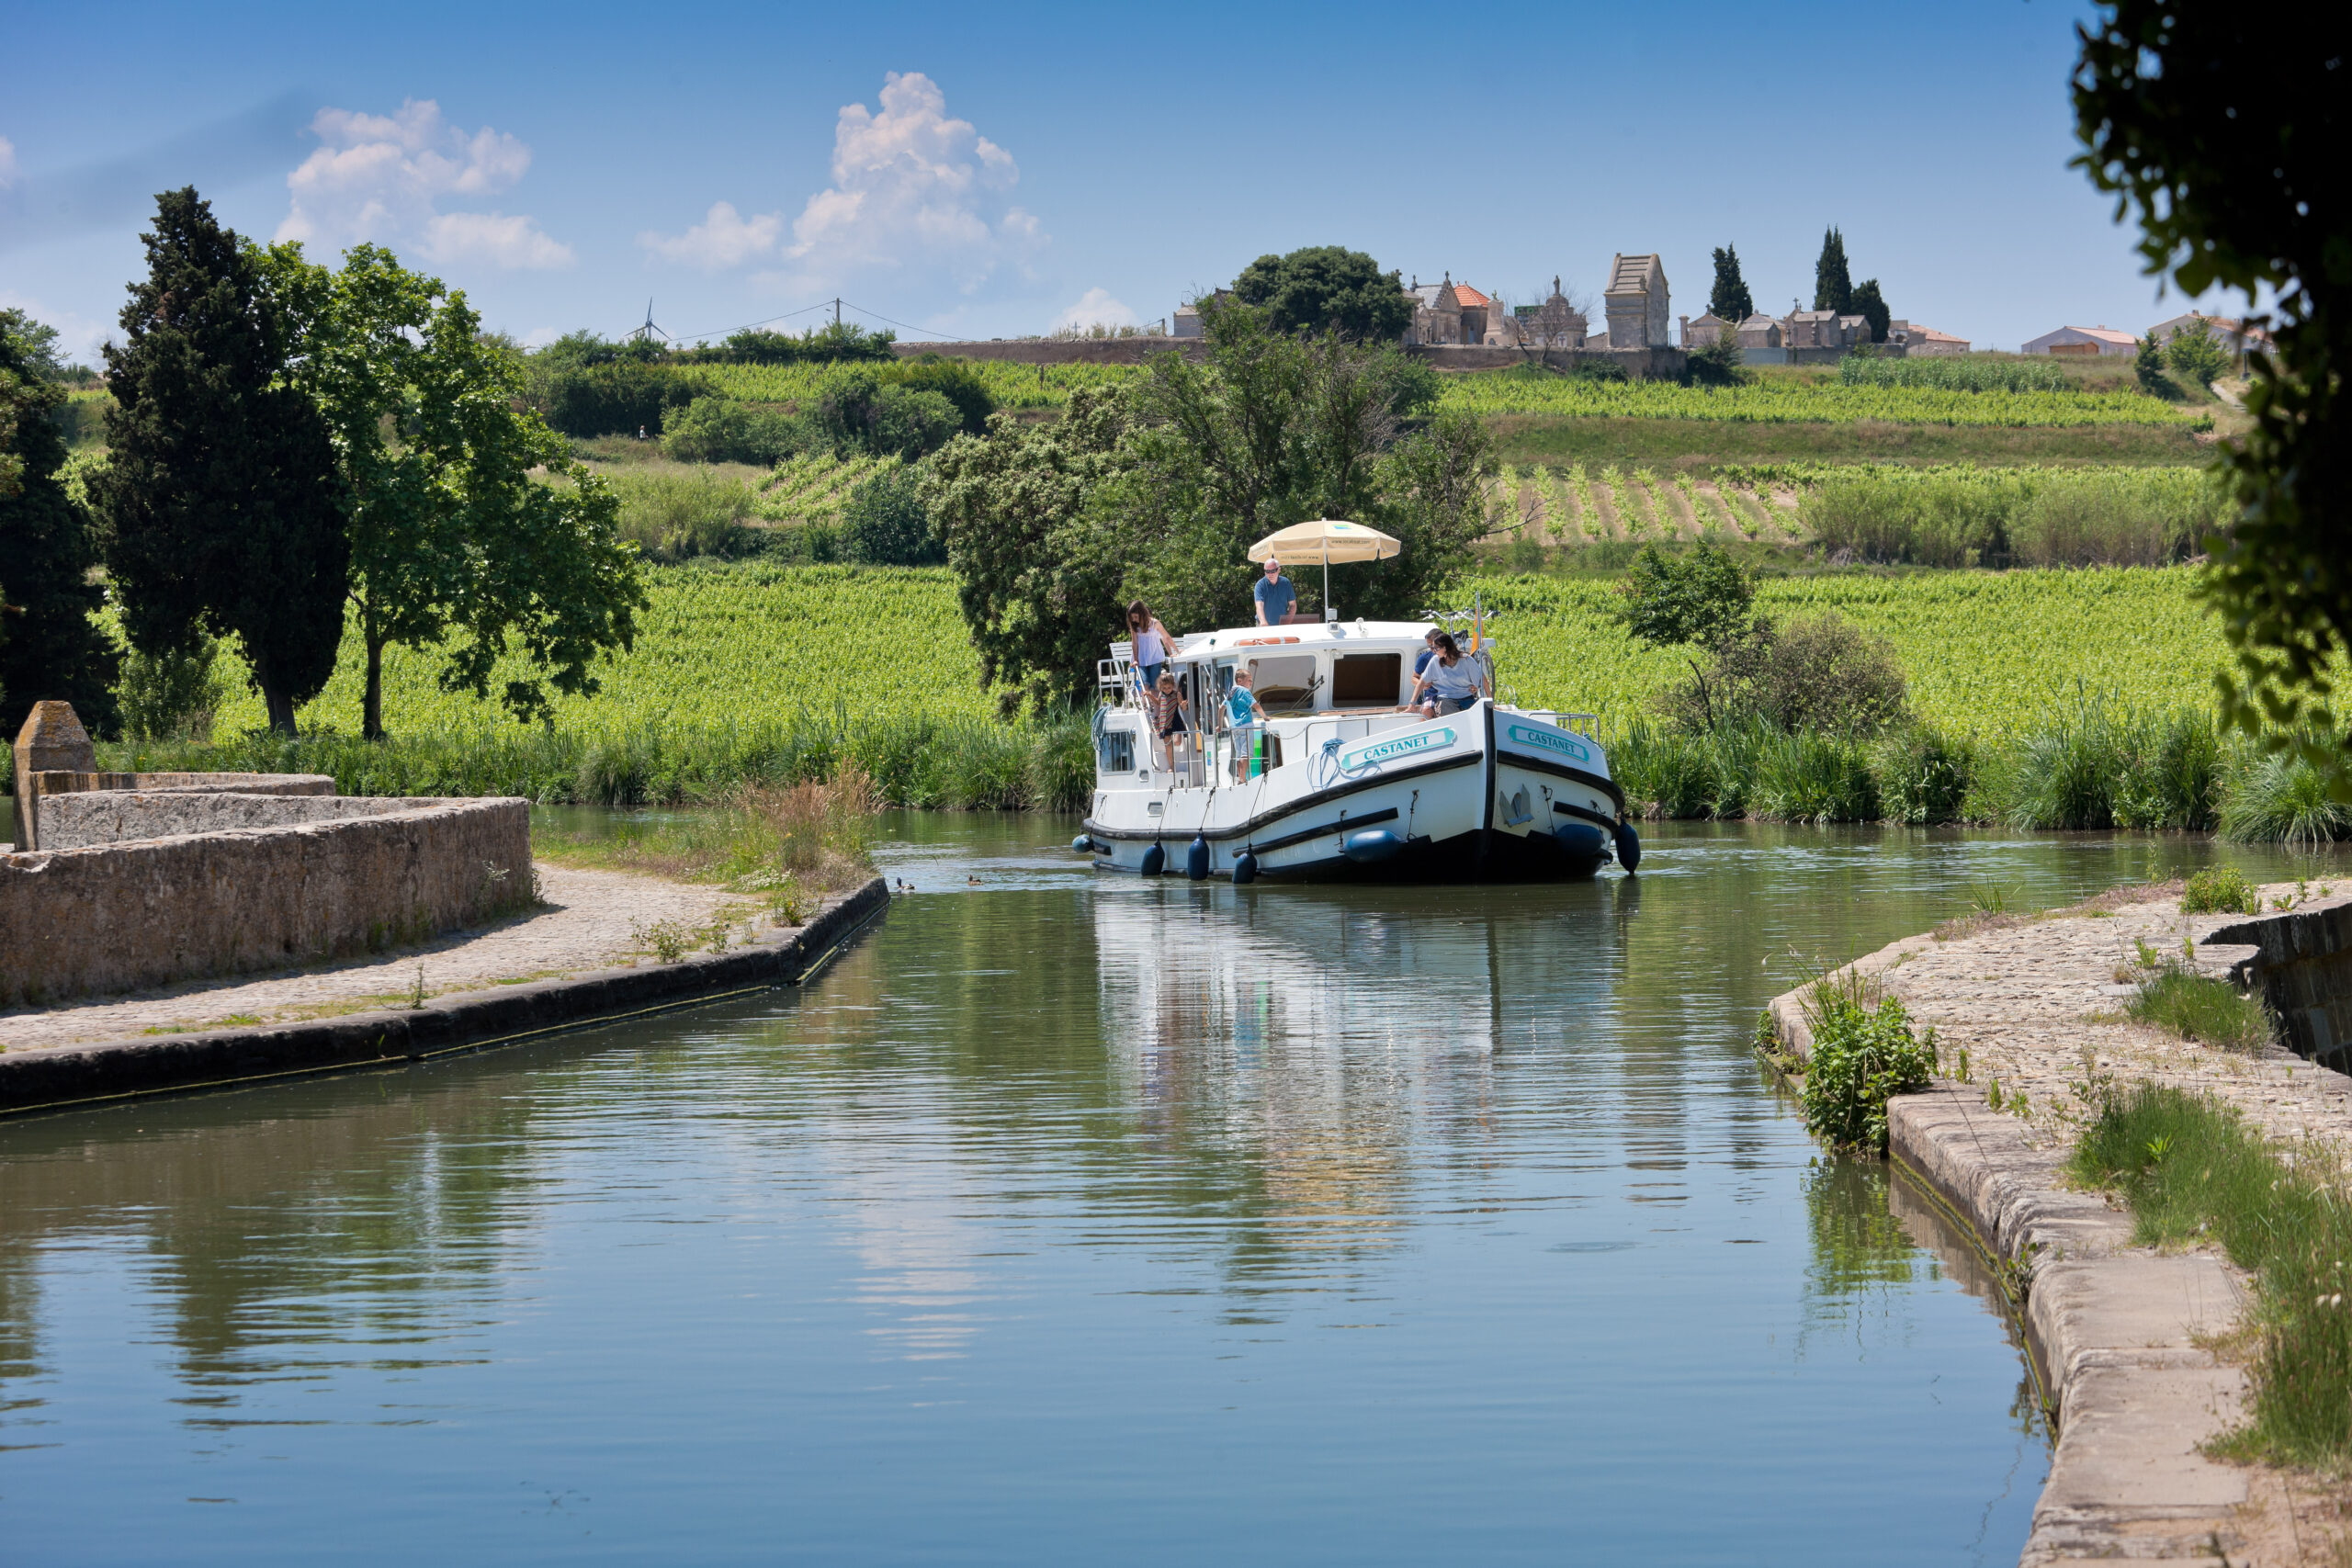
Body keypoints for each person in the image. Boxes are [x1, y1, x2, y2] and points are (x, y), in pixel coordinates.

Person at [1411, 633, 1489, 717]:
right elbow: (1421, 682)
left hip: (1466, 698)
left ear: (1445, 648)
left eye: (1436, 648)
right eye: (1432, 648)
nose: (1433, 651)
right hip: (1445, 699)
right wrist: (1412, 704)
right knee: (1449, 715)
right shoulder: (1435, 661)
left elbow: (1483, 679)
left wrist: (1490, 703)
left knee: (1476, 717)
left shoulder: (1466, 659)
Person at [1126, 600, 1174, 706]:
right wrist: (1135, 659)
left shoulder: (1154, 623)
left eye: (1136, 617)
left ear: (1142, 614)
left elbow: (1165, 638)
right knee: (1145, 683)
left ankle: (1156, 710)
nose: (1134, 620)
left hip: (1154, 658)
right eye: (1132, 618)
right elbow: (1134, 643)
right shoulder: (1134, 626)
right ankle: (1146, 706)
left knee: (1155, 684)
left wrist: (1173, 651)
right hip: (1141, 659)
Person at [1224, 667, 1268, 781]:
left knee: (1239, 755)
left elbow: (1221, 708)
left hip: (1234, 727)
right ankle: (1243, 779)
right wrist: (1265, 717)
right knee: (1246, 754)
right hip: (1246, 726)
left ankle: (1240, 778)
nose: (1251, 682)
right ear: (1239, 680)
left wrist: (1219, 725)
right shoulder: (1244, 691)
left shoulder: (1231, 692)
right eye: (1249, 680)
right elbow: (1256, 705)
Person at [1154, 671, 1193, 773]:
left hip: (1175, 719)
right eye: (1164, 688)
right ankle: (1171, 766)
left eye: (1169, 688)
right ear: (1161, 687)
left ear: (1173, 686)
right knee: (1168, 746)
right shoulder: (1161, 694)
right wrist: (1150, 696)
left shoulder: (1177, 694)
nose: (1167, 690)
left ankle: (1171, 744)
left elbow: (1183, 708)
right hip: (1164, 721)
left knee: (1177, 742)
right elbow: (1158, 703)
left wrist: (1184, 704)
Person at [1253, 558, 1296, 626]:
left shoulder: (1286, 583)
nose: (1270, 574)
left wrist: (1287, 622)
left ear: (1279, 570)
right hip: (1263, 624)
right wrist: (1263, 621)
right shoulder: (1260, 585)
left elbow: (1293, 604)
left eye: (1273, 571)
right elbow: (1259, 606)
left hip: (1282, 624)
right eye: (1267, 571)